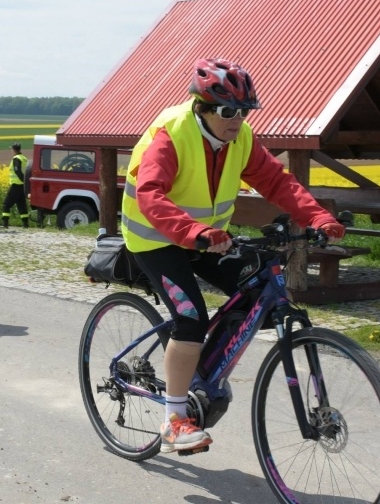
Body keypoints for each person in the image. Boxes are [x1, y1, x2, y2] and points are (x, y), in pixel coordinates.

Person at [121, 58, 346, 454]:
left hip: (209, 238)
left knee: (259, 284)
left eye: (244, 112)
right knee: (190, 318)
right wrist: (195, 232)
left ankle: (202, 375)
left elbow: (276, 180)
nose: (237, 120)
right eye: (227, 111)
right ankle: (175, 420)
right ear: (201, 107)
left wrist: (317, 217)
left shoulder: (240, 138)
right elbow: (150, 194)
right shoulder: (169, 134)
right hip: (156, 238)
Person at [0, 142, 30, 228]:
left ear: (13, 150)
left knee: (6, 204)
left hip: (16, 185)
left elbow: (18, 171)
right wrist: (25, 183)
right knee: (21, 205)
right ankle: (25, 224)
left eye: (11, 149)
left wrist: (22, 180)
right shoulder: (24, 158)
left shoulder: (16, 159)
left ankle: (5, 224)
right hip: (22, 187)